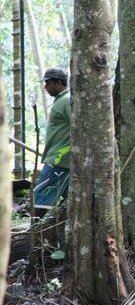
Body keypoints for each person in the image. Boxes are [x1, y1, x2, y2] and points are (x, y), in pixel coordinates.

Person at [34, 68, 71, 210]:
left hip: (59, 160)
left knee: (41, 196)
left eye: (48, 83)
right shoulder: (61, 101)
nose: (45, 87)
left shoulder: (67, 101)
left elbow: (78, 127)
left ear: (59, 83)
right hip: (59, 158)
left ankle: (37, 231)